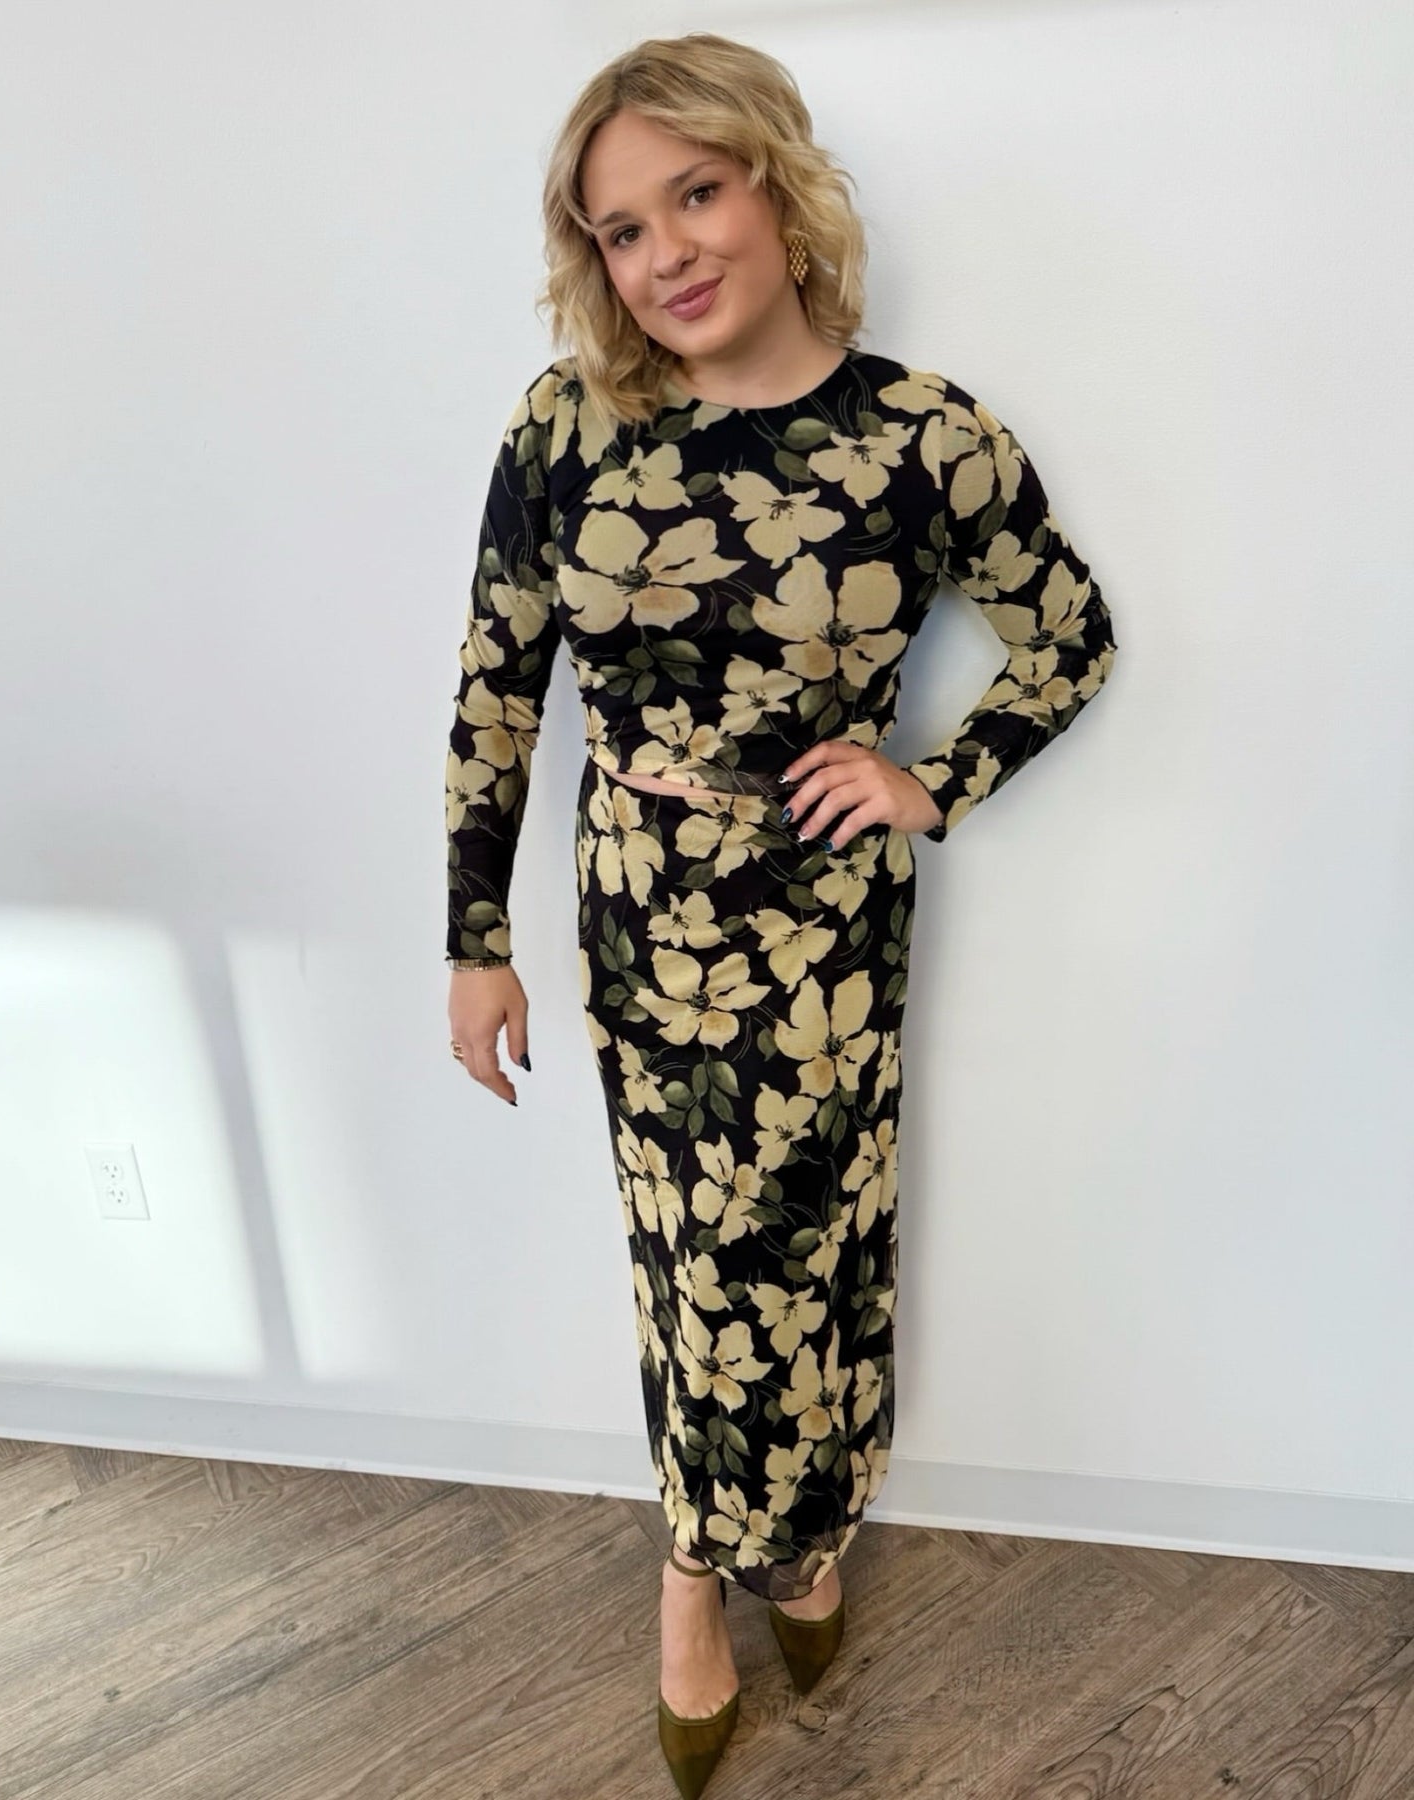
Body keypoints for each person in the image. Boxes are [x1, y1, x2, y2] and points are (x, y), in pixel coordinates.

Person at [444, 32, 1118, 1797]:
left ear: (775, 182)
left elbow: (1071, 639)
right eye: (620, 228)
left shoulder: (924, 437)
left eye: (695, 193)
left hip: (828, 927)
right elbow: (499, 694)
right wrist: (474, 940)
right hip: (641, 917)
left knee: (814, 1259)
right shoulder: (564, 428)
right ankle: (697, 1569)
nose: (664, 253)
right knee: (693, 1266)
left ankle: (803, 1537)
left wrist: (930, 780)